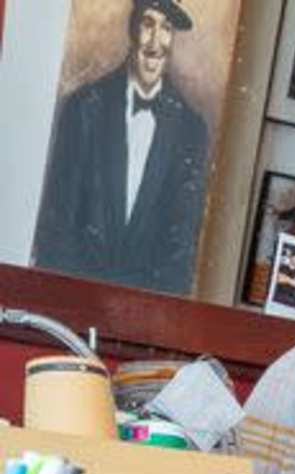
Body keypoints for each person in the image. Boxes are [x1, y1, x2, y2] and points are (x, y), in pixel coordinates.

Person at [33, 0, 216, 294]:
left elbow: (180, 252)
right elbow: (56, 229)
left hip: (141, 316)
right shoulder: (84, 108)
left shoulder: (191, 130)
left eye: (167, 28)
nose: (156, 42)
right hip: (72, 303)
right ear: (132, 27)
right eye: (148, 23)